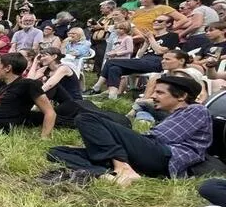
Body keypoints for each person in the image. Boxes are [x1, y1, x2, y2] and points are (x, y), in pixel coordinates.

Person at [45, 74, 211, 186]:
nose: (153, 96)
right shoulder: (173, 115)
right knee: (56, 152)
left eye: (160, 92)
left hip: (165, 157)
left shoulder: (196, 110)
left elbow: (159, 137)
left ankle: (121, 167)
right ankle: (108, 175)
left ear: (181, 96)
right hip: (147, 158)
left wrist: (110, 137)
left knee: (87, 118)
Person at [87, 14, 179, 98]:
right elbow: (140, 55)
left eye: (160, 21)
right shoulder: (152, 37)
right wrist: (147, 43)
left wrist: (151, 38)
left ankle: (96, 87)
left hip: (157, 62)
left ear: (168, 24)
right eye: (155, 20)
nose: (156, 22)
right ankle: (112, 96)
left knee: (111, 62)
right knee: (114, 68)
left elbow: (160, 51)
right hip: (143, 61)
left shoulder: (172, 35)